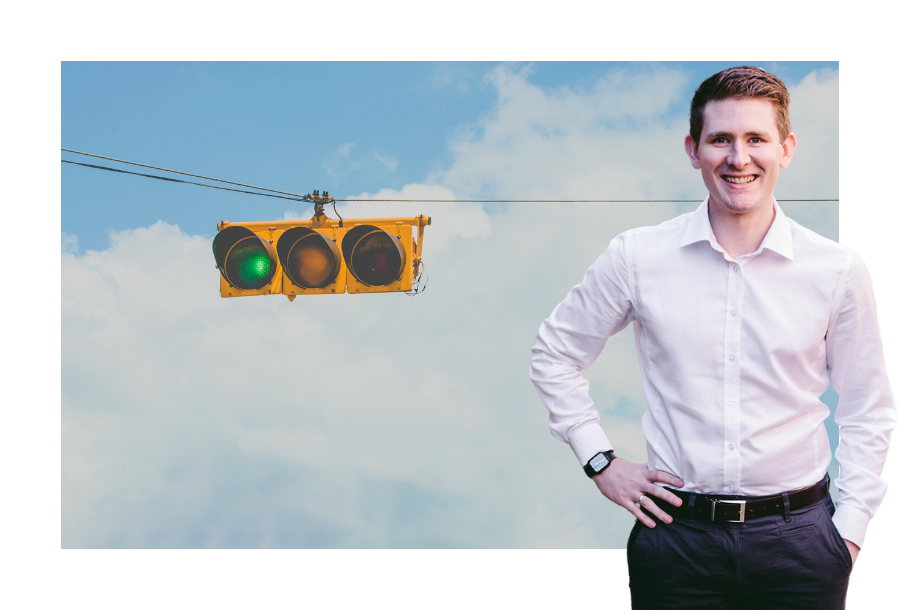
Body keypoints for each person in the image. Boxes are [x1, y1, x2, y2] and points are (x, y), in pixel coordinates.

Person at [529, 66, 895, 609]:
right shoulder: (637, 257)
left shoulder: (836, 270)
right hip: (677, 541)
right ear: (693, 149)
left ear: (786, 149)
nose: (738, 157)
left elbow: (868, 407)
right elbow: (554, 354)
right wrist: (600, 462)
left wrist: (849, 534)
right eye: (720, 139)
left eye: (756, 139)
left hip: (802, 543)